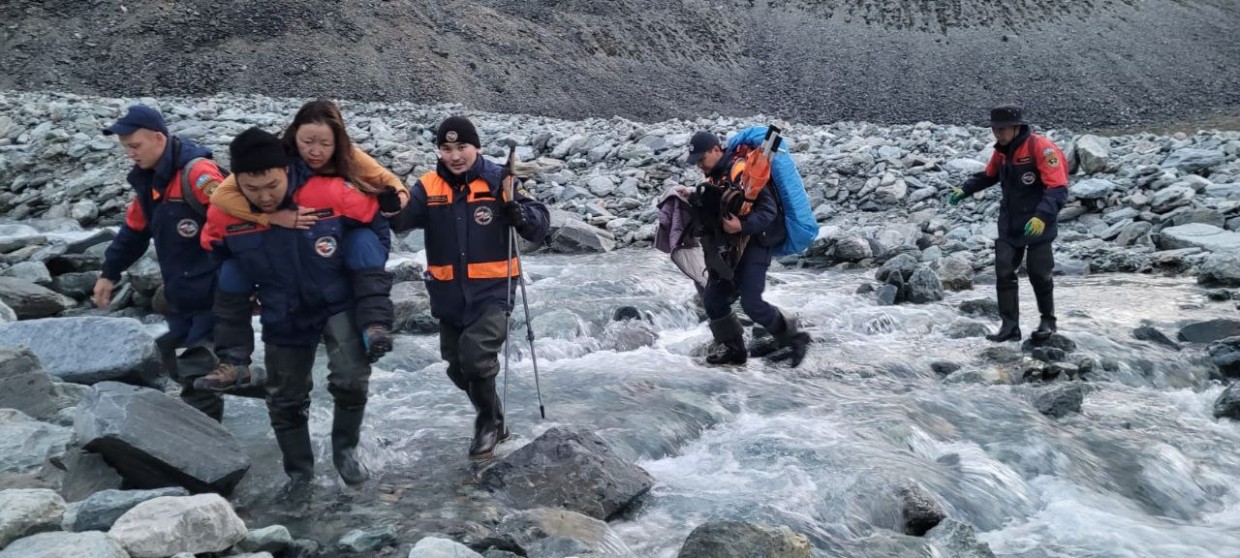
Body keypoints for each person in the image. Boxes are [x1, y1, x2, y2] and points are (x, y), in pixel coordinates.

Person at [199, 127, 390, 491]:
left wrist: (367, 263)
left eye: (272, 185)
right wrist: (246, 283)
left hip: (336, 296)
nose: (264, 196)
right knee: (285, 398)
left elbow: (375, 222)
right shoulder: (225, 213)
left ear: (286, 169)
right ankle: (300, 476)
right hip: (282, 305)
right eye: (252, 189)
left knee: (350, 378)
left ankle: (345, 453)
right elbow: (216, 251)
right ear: (236, 182)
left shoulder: (327, 192)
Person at [389, 116, 550, 460]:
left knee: (476, 359)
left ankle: (487, 422)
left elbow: (539, 226)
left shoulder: (500, 180)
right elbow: (402, 221)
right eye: (446, 148)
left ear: (476, 147)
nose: (455, 155)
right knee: (456, 366)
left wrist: (517, 213)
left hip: (493, 290)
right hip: (447, 295)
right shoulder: (428, 186)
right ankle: (496, 416)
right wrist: (389, 202)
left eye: (461, 147)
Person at [209, 99, 405, 361]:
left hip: (337, 239)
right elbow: (221, 196)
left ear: (338, 141)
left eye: (325, 144)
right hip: (297, 260)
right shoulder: (272, 158)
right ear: (294, 134)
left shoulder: (350, 156)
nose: (316, 151)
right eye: (307, 141)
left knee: (362, 245)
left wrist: (397, 200)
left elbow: (392, 183)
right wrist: (272, 218)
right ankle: (232, 362)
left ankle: (375, 326)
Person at [91, 104, 229, 421]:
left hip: (216, 291)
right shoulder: (149, 182)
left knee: (199, 366)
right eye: (126, 148)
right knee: (168, 355)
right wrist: (108, 274)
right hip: (182, 293)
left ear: (158, 138)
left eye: (135, 146)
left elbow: (240, 226)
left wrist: (252, 286)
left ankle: (206, 450)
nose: (130, 154)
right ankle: (265, 384)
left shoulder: (199, 175)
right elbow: (134, 232)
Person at [686, 130, 810, 367]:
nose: (699, 165)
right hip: (730, 247)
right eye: (696, 162)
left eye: (702, 159)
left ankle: (794, 338)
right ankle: (735, 350)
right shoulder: (716, 176)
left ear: (716, 150)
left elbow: (768, 211)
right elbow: (719, 202)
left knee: (752, 304)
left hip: (756, 243)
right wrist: (692, 197)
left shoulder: (742, 170)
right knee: (713, 299)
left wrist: (741, 225)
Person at [948, 105, 1069, 343]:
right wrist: (966, 189)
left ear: (1017, 127)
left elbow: (1058, 188)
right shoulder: (1002, 152)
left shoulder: (1041, 148)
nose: (999, 134)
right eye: (995, 129)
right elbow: (989, 175)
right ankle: (1009, 326)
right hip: (1010, 222)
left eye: (1003, 129)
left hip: (1038, 223)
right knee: (1003, 272)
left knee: (1039, 273)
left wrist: (1042, 217)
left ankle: (1048, 321)